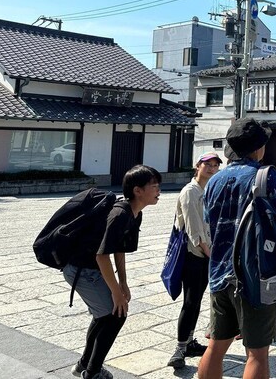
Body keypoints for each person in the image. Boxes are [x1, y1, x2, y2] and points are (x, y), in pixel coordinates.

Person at [198, 118, 276, 379]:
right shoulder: (266, 176)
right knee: (256, 353)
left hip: (219, 272)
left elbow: (210, 223)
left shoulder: (214, 181)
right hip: (255, 276)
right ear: (259, 148)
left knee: (216, 346)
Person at [65, 165, 161, 379]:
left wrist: (123, 282)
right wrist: (116, 292)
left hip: (92, 269)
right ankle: (92, 372)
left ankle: (84, 366)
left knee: (105, 316)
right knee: (115, 314)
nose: (158, 191)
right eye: (154, 186)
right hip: (82, 270)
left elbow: (119, 249)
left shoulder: (134, 214)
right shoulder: (119, 214)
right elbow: (102, 256)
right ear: (137, 190)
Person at [167, 152, 222, 369]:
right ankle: (180, 348)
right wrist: (211, 255)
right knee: (190, 302)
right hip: (194, 255)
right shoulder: (190, 192)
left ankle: (189, 341)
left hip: (208, 253)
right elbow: (194, 231)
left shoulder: (208, 189)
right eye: (207, 164)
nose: (211, 168)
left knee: (197, 300)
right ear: (197, 166)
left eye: (215, 165)